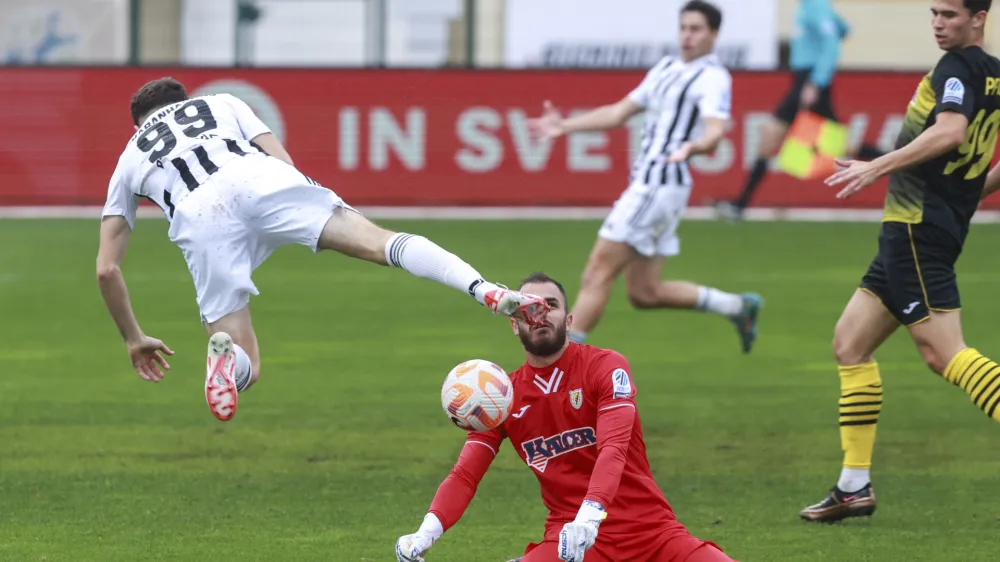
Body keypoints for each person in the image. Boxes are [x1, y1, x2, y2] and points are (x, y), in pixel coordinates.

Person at [96, 77, 549, 422]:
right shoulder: (220, 103)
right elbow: (283, 162)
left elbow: (106, 270)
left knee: (247, 359)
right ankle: (486, 291)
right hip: (259, 178)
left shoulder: (130, 155)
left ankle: (225, 359)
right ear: (185, 99)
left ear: (139, 124)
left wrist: (135, 339)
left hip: (199, 217)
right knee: (380, 242)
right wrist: (296, 215)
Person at [801, 0, 1000, 523]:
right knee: (851, 343)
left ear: (980, 17)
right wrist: (964, 197)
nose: (939, 23)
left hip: (915, 230)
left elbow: (951, 132)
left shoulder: (956, 68)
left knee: (944, 355)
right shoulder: (995, 76)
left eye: (951, 15)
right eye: (934, 13)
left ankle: (854, 486)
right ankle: (853, 487)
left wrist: (877, 167)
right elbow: (975, 158)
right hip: (920, 231)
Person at [395, 272, 734, 562]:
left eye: (551, 306)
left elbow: (613, 449)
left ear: (569, 321)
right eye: (527, 307)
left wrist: (589, 517)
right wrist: (425, 534)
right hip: (569, 545)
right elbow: (465, 475)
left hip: (650, 533)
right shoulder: (500, 396)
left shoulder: (605, 366)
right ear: (513, 324)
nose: (539, 314)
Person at [527, 0, 762, 353]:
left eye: (696, 29)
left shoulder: (712, 77)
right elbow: (620, 111)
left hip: (658, 185)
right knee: (644, 293)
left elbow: (715, 131)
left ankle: (563, 362)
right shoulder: (666, 67)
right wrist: (565, 126)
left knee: (597, 271)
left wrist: (694, 148)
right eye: (683, 27)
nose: (687, 35)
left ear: (714, 34)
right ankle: (736, 306)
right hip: (658, 187)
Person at [714, 0, 885, 221]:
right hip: (805, 81)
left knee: (831, 144)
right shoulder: (813, 5)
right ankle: (740, 204)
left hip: (810, 81)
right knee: (831, 144)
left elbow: (832, 41)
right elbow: (843, 30)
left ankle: (901, 163)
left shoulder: (815, 5)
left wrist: (816, 81)